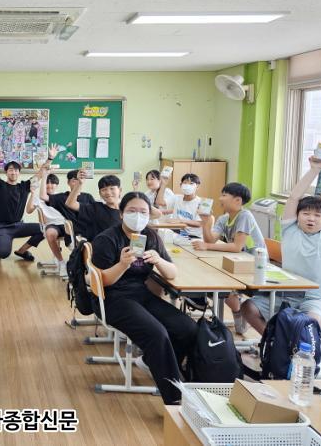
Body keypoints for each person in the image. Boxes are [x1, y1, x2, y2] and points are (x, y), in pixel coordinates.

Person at [91, 193, 196, 405]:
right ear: (121, 213)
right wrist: (122, 264)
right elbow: (100, 282)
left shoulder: (151, 236)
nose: (138, 216)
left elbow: (172, 273)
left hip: (141, 294)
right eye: (132, 211)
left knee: (188, 328)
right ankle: (175, 400)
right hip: (112, 298)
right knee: (157, 334)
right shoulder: (107, 239)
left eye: (143, 212)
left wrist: (158, 260)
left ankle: (151, 362)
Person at [242, 152, 321, 334]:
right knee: (249, 308)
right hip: (286, 294)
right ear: (297, 216)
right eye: (306, 213)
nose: (311, 218)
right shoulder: (290, 230)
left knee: (310, 321)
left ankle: (300, 349)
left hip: (320, 299)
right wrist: (314, 170)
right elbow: (294, 198)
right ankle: (273, 343)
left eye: (317, 215)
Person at [194, 182, 266, 333]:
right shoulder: (224, 218)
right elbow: (210, 240)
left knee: (223, 289)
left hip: (255, 265)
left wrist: (207, 246)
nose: (220, 198)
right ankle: (238, 318)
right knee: (220, 287)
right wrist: (206, 223)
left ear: (238, 200)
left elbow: (236, 247)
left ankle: (239, 319)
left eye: (224, 195)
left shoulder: (245, 216)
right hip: (237, 262)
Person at [0, 135, 55, 261]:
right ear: (6, 172)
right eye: (10, 170)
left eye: (16, 170)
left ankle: (22, 251)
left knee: (45, 229)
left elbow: (40, 173)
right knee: (3, 253)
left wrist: (50, 158)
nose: (13, 172)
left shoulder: (24, 186)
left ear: (19, 172)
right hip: (3, 227)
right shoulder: (0, 185)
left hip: (19, 226)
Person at [25, 169, 68, 277]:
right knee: (50, 234)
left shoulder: (62, 196)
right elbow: (29, 210)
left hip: (65, 224)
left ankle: (77, 263)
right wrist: (32, 193)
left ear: (57, 185)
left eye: (52, 183)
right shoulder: (39, 198)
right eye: (47, 183)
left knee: (78, 236)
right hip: (51, 225)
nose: (49, 185)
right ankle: (61, 262)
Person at [66, 171, 122, 242]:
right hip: (102, 246)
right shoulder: (96, 208)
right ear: (100, 193)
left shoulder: (127, 210)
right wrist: (79, 183)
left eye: (112, 188)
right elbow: (70, 203)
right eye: (104, 190)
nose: (108, 192)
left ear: (120, 190)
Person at [39, 169, 94, 238]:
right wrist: (45, 176)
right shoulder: (61, 197)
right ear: (68, 182)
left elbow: (95, 214)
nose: (78, 183)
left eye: (79, 180)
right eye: (74, 181)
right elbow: (43, 196)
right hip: (73, 234)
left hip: (91, 232)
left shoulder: (88, 197)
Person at [162, 173, 203, 238]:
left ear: (197, 186)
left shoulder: (201, 203)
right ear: (181, 185)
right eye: (185, 183)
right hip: (177, 232)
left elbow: (200, 223)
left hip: (192, 235)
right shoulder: (177, 198)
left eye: (191, 183)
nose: (188, 186)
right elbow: (160, 202)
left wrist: (180, 221)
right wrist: (163, 184)